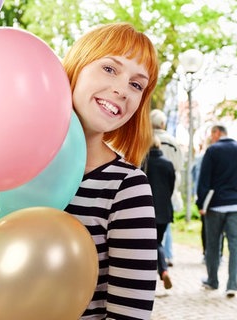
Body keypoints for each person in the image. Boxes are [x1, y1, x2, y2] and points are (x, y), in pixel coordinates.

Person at [62, 23, 159, 319]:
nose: (121, 89)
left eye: (136, 84)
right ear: (77, 65)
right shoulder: (14, 168)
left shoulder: (127, 188)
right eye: (110, 69)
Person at [196, 124, 237, 298]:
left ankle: (212, 280)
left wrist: (201, 204)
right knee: (235, 245)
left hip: (215, 205)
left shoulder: (212, 151)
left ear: (217, 133)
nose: (211, 137)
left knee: (213, 244)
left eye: (212, 134)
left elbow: (204, 179)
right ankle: (232, 285)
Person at [150, 108, 184, 267]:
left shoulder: (145, 140)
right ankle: (167, 255)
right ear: (163, 124)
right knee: (164, 223)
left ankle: (159, 259)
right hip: (168, 187)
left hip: (150, 190)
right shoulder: (173, 142)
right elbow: (179, 166)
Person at [143, 136, 175, 290]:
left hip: (147, 209)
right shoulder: (168, 164)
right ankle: (162, 272)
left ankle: (162, 271)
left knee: (151, 244)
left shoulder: (144, 163)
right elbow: (171, 187)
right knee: (157, 243)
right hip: (164, 211)